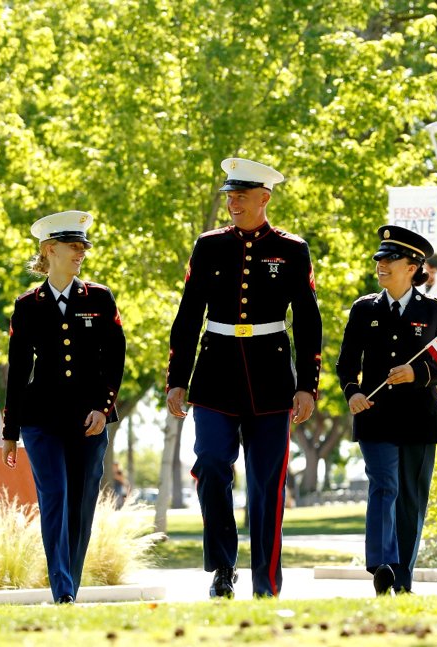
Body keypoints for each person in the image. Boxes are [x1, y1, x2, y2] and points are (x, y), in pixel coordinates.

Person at [166, 157, 322, 599]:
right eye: (229, 196)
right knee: (211, 463)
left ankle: (266, 583)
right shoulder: (208, 245)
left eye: (241, 196)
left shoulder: (292, 249)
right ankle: (222, 567)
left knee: (267, 483)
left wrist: (307, 385)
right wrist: (177, 378)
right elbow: (188, 314)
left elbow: (308, 320)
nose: (232, 203)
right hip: (215, 372)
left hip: (272, 378)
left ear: (264, 198)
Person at [0, 210, 125, 604]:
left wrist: (103, 408)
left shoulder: (100, 298)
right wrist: (10, 432)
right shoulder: (27, 305)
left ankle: (69, 582)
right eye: (73, 246)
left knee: (81, 504)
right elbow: (18, 370)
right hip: (41, 419)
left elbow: (115, 358)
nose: (81, 252)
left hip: (89, 420)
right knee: (54, 496)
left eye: (83, 246)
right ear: (49, 250)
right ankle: (63, 592)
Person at [336, 225, 437, 595]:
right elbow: (346, 363)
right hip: (375, 415)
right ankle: (381, 565)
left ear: (413, 267)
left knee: (411, 500)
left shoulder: (434, 311)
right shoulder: (364, 309)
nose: (381, 265)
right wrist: (352, 392)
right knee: (384, 485)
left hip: (420, 420)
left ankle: (402, 580)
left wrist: (417, 373)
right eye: (380, 259)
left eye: (391, 260)